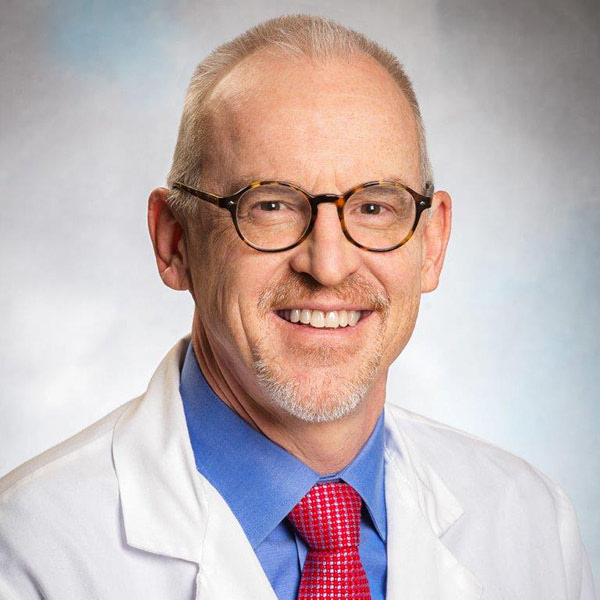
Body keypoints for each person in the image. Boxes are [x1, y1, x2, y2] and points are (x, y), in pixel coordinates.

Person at [0, 14, 595, 600]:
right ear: (174, 241)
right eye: (271, 205)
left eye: (373, 207)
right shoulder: (33, 549)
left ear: (432, 243)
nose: (328, 265)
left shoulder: (530, 522)